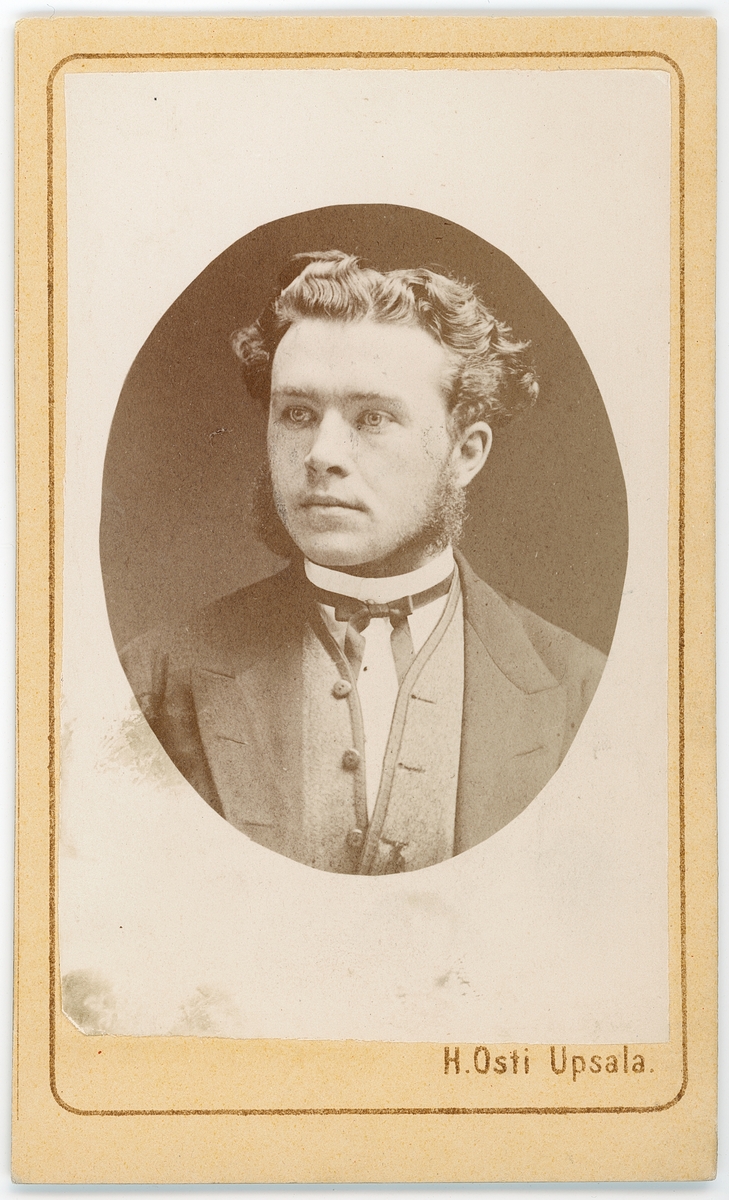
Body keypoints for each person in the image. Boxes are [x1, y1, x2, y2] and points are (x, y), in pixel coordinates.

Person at [121, 251, 606, 875]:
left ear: (466, 452)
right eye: (297, 414)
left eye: (372, 418)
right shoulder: (153, 680)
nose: (321, 454)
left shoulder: (583, 692)